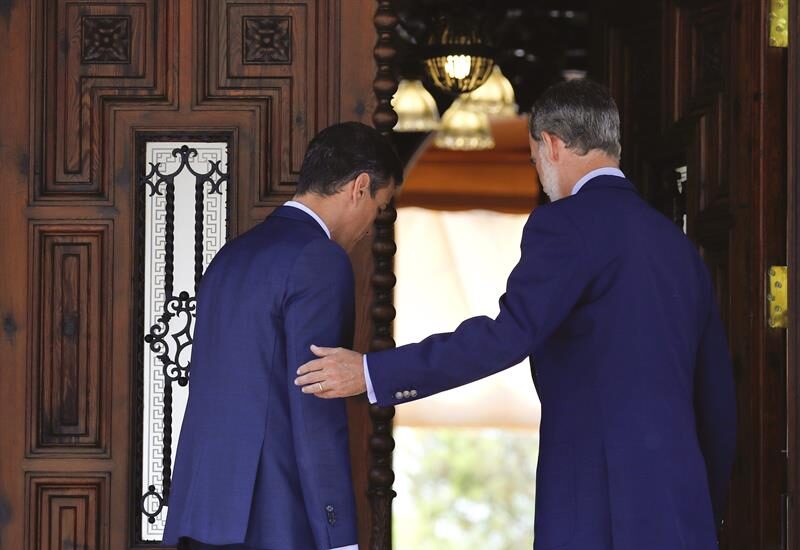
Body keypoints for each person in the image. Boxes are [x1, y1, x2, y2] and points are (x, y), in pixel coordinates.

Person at [295, 80, 737, 550]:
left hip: (596, 504)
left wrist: (371, 371)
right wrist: (702, 511)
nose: (538, 174)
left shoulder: (563, 223)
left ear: (550, 144)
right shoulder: (680, 247)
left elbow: (506, 337)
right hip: (682, 507)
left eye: (532, 160)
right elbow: (716, 397)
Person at [163, 122, 402, 550]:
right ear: (359, 188)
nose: (372, 226)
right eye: (380, 208)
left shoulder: (229, 258)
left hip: (200, 515)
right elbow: (316, 404)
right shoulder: (320, 260)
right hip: (274, 520)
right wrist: (339, 535)